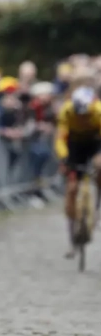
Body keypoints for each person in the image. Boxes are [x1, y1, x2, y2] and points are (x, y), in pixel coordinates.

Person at [54, 85, 101, 259]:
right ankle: (72, 240)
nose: (81, 117)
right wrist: (64, 157)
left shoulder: (97, 110)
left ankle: (96, 207)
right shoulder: (66, 111)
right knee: (72, 189)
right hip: (74, 144)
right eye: (78, 114)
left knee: (99, 165)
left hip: (95, 141)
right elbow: (60, 138)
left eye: (85, 114)